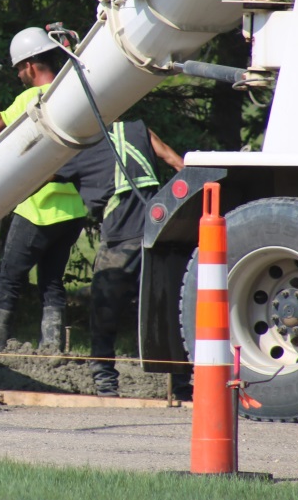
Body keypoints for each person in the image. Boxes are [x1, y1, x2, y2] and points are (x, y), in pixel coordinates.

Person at [0, 27, 88, 352]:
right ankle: (52, 348)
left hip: (37, 210)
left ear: (30, 65)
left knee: (8, 278)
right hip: (72, 211)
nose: (19, 77)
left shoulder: (31, 98)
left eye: (19, 70)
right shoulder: (71, 94)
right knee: (52, 281)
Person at [56, 120, 185, 397]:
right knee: (167, 308)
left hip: (121, 240)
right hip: (157, 233)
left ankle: (104, 380)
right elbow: (175, 162)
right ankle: (182, 384)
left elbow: (33, 176)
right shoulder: (136, 129)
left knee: (105, 312)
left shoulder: (74, 149)